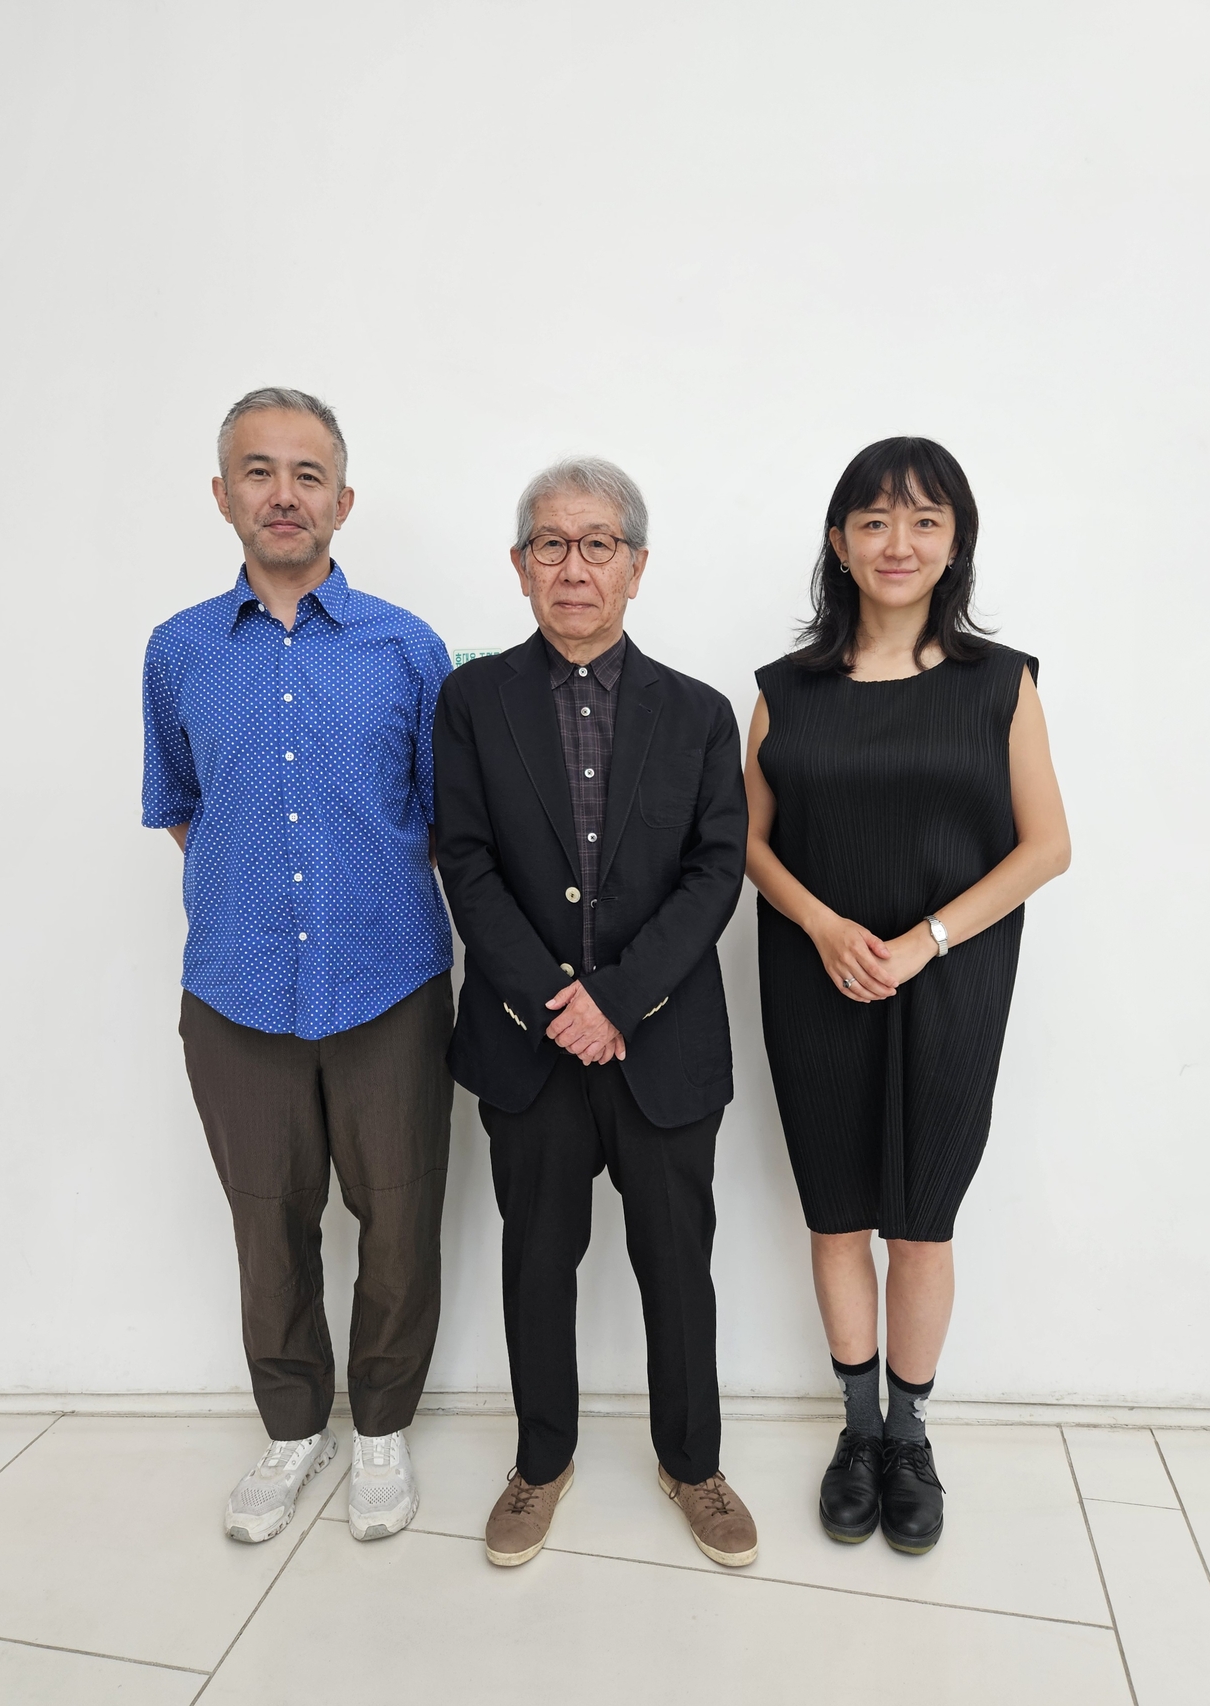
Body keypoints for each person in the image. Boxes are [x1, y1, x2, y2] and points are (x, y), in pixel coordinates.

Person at [745, 437, 1070, 1555]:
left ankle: (910, 1435)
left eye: (925, 520)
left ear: (954, 542)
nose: (898, 542)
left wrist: (926, 940)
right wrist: (823, 924)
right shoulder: (783, 692)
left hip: (953, 977)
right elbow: (746, 842)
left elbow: (1046, 846)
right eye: (874, 520)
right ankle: (858, 1429)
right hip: (816, 975)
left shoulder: (1001, 683)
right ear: (838, 542)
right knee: (836, 1211)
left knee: (921, 1223)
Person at [141, 388, 455, 1545]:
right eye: (259, 471)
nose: (284, 493)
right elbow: (182, 804)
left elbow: (439, 817)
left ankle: (380, 1425)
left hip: (389, 981)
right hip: (235, 985)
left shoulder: (407, 647)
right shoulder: (177, 650)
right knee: (266, 1220)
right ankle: (290, 1426)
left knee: (399, 1213)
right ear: (222, 494)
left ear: (343, 500)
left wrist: (348, 886)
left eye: (307, 473)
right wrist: (263, 896)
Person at [434, 457, 758, 1569]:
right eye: (550, 544)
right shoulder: (471, 704)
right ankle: (540, 1462)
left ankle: (693, 1463)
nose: (573, 567)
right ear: (520, 565)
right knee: (537, 1263)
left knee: (678, 1265)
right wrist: (551, 1004)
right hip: (526, 1050)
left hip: (662, 1044)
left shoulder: (699, 713)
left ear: (636, 566)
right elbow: (466, 863)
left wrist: (615, 998)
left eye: (597, 544)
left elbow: (715, 871)